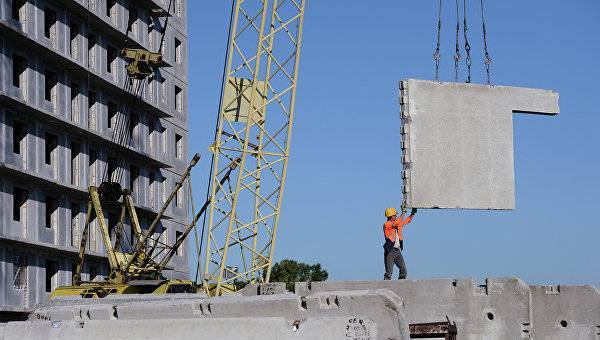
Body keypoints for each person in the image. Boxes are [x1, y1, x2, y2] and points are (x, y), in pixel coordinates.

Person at [383, 207, 417, 280]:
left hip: (397, 251)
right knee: (389, 273)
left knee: (403, 271)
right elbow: (396, 223)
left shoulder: (397, 223)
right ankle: (385, 286)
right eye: (395, 215)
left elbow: (407, 221)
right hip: (390, 251)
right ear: (392, 216)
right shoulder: (387, 224)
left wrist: (412, 214)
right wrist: (403, 213)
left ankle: (401, 285)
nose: (396, 216)